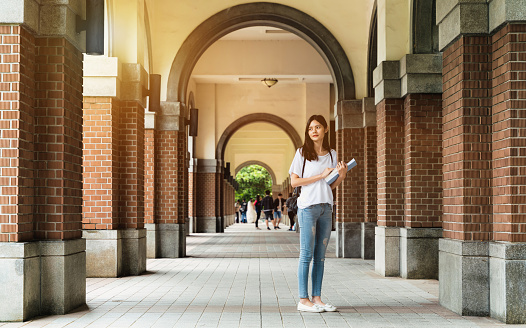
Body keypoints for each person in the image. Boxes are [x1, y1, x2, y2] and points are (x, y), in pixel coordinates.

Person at [289, 114, 347, 313]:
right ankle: (303, 299)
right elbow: (294, 182)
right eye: (310, 128)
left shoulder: (332, 154)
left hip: (326, 207)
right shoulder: (302, 153)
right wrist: (319, 176)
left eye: (317, 127)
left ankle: (317, 298)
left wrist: (342, 175)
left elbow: (330, 185)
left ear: (325, 130)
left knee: (320, 256)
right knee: (306, 254)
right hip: (307, 207)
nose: (314, 131)